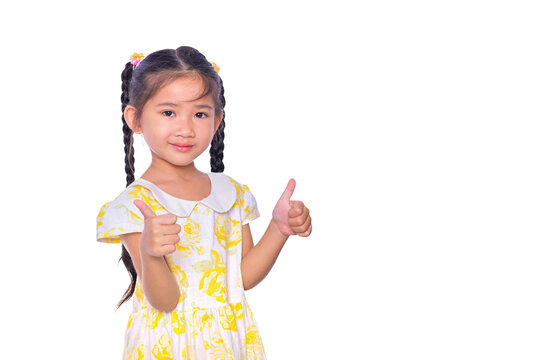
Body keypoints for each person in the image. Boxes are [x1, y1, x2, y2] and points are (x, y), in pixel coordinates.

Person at [96, 46, 312, 359]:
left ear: (217, 120)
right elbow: (165, 300)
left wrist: (279, 229)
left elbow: (243, 278)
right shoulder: (135, 204)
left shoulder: (231, 193)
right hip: (168, 345)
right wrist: (150, 252)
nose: (185, 128)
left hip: (228, 340)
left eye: (200, 114)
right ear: (136, 118)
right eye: (168, 112)